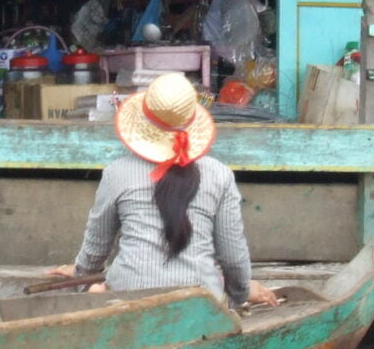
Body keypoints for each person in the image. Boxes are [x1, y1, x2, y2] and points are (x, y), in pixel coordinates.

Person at [51, 72, 279, 308]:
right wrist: (239, 294)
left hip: (127, 301)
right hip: (202, 305)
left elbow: (96, 249)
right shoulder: (220, 175)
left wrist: (81, 276)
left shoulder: (116, 173)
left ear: (144, 121)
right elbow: (233, 258)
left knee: (101, 293)